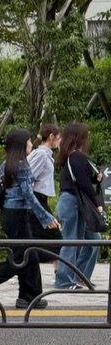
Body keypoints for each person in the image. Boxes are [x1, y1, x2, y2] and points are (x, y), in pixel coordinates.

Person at [0, 130, 60, 312]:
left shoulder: (7, 164)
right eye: (28, 142)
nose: (30, 144)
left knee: (29, 256)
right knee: (21, 257)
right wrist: (46, 217)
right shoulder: (21, 166)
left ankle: (28, 297)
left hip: (9, 214)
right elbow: (29, 195)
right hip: (18, 216)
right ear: (20, 145)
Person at [52, 122, 102, 292]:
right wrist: (98, 204)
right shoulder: (77, 157)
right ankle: (65, 280)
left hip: (71, 200)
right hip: (73, 201)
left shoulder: (70, 157)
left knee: (78, 240)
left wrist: (96, 179)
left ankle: (75, 277)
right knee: (72, 241)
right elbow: (84, 184)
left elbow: (84, 179)